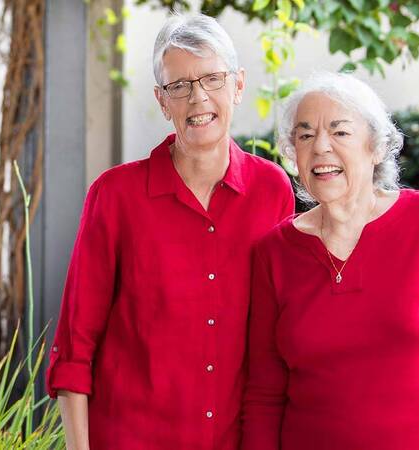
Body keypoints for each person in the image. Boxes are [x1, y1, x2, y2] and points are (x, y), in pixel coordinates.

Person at [46, 13, 295, 450]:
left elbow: (280, 337)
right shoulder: (116, 195)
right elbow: (75, 344)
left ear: (237, 86)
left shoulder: (272, 189)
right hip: (128, 438)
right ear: (163, 102)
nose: (198, 98)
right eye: (179, 86)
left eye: (212, 79)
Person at [241, 71, 419, 450]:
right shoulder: (274, 253)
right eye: (306, 135)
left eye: (340, 132)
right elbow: (265, 393)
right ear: (293, 154)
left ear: (376, 147)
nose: (321, 147)